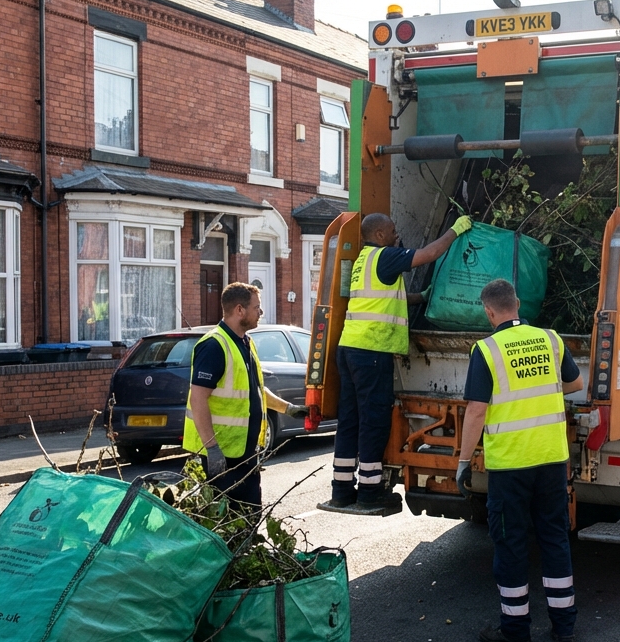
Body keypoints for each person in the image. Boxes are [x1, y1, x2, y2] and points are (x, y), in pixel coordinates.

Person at [456, 279, 583, 642]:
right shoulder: (550, 339)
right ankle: (564, 628)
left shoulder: (487, 350)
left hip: (510, 466)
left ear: (489, 311)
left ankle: (516, 630)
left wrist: (464, 462)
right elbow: (574, 383)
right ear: (518, 304)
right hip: (550, 459)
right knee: (555, 539)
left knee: (510, 545)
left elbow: (477, 410)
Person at [326, 211, 472, 513]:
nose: (397, 236)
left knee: (350, 420)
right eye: (393, 231)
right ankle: (369, 492)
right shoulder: (386, 256)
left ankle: (341, 491)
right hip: (371, 351)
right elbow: (430, 253)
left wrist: (424, 296)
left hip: (350, 348)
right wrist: (456, 230)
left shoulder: (363, 262)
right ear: (379, 235)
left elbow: (385, 299)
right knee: (374, 420)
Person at [184, 283, 306, 510]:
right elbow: (198, 399)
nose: (260, 313)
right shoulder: (214, 345)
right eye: (256, 308)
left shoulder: (245, 343)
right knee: (227, 519)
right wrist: (212, 449)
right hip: (223, 455)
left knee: (250, 512)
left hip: (244, 453)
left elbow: (255, 391)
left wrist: (287, 408)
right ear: (239, 310)